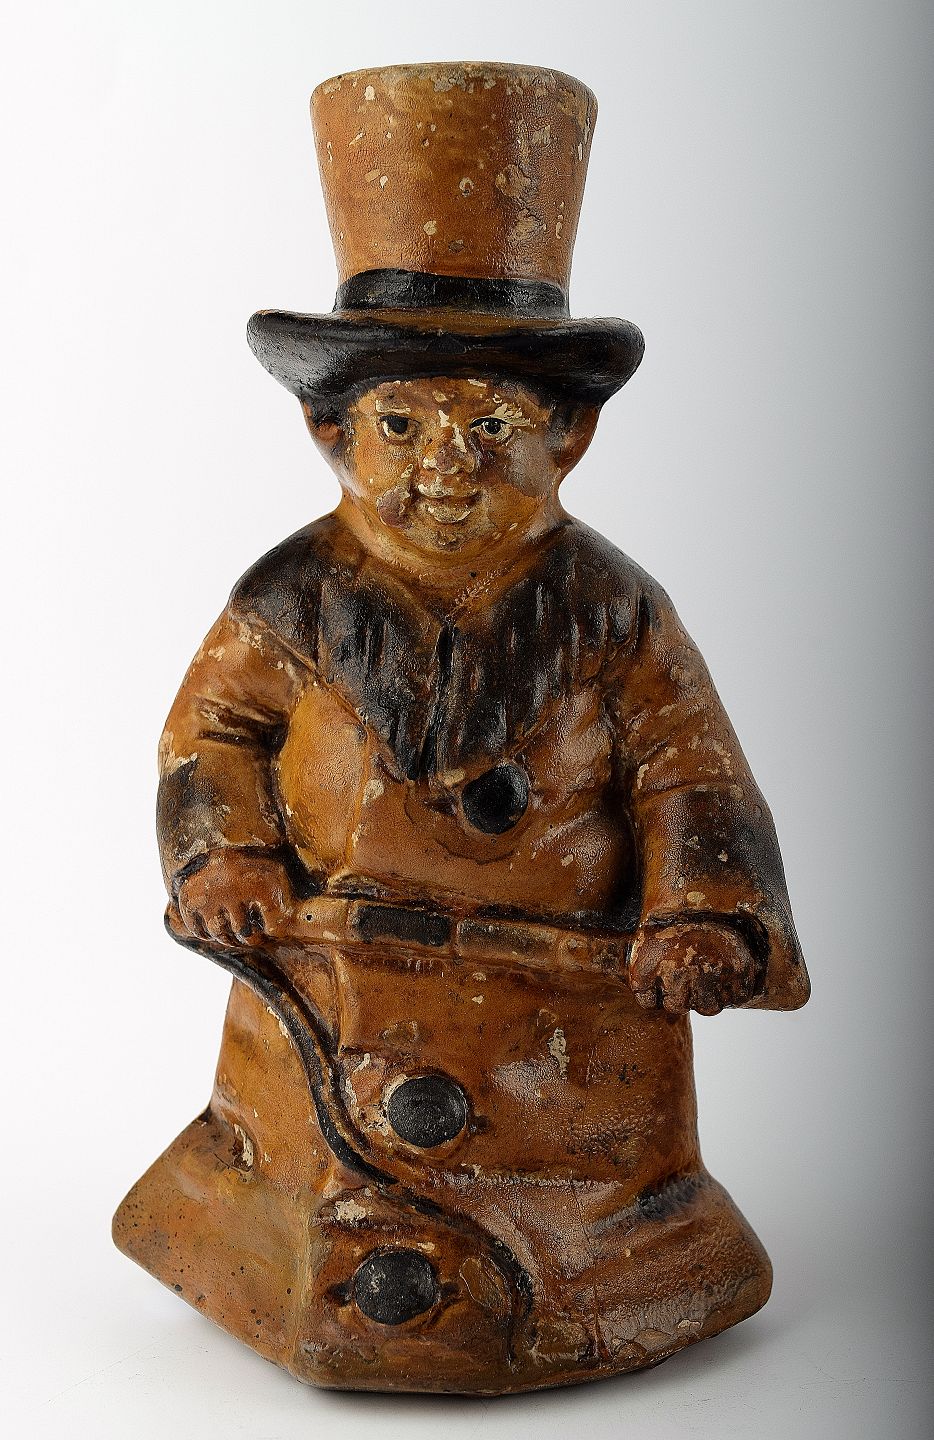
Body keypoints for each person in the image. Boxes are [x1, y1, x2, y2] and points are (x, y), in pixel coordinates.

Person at [115, 62, 809, 1394]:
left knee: (590, 1210)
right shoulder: (289, 597)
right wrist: (224, 856)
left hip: (567, 1023)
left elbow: (690, 770)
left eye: (493, 425)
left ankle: (607, 1271)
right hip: (331, 987)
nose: (446, 464)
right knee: (319, 1174)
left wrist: (704, 911)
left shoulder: (611, 607)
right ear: (329, 432)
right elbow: (209, 737)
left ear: (569, 438)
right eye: (400, 422)